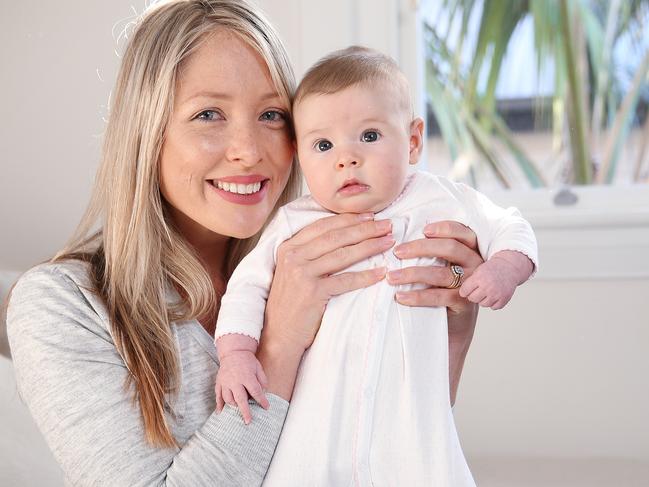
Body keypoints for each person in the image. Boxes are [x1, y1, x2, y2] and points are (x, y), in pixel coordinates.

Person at [7, 1, 483, 485]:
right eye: (209, 114)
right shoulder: (60, 304)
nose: (251, 151)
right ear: (146, 133)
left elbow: (390, 441)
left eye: (272, 114)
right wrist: (276, 347)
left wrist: (452, 335)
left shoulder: (323, 260)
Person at [214, 47, 538, 486]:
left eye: (368, 136)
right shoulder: (294, 224)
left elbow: (511, 226)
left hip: (410, 431)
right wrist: (235, 354)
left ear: (413, 141)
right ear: (300, 156)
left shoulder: (442, 199)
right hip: (317, 429)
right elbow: (246, 287)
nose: (346, 158)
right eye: (323, 145)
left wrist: (503, 269)